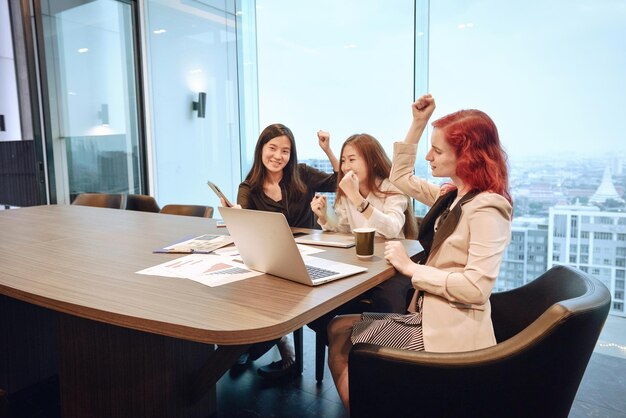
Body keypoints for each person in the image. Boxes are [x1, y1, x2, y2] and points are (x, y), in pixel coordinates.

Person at [326, 94, 513, 412]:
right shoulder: (452, 195)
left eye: (438, 150)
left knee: (344, 338)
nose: (428, 155)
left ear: (466, 156)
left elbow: (477, 289)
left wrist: (410, 268)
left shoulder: (488, 207)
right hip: (425, 313)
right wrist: (418, 122)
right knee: (336, 327)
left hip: (445, 331)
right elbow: (400, 178)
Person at [230, 123, 339, 380]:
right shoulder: (249, 188)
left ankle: (256, 347)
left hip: (312, 254)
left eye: (285, 151)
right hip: (276, 258)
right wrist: (236, 215)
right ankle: (264, 346)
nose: (278, 156)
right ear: (261, 150)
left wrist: (328, 149)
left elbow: (338, 181)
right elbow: (245, 223)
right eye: (273, 148)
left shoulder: (301, 174)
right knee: (252, 288)